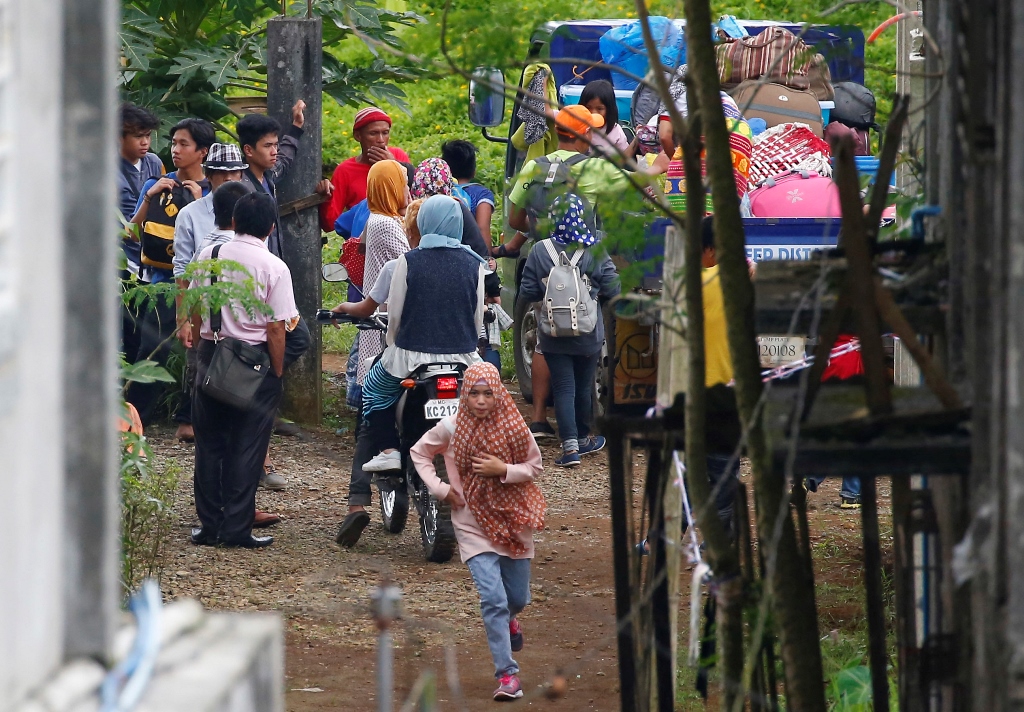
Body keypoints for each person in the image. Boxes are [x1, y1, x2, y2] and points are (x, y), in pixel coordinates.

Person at [410, 362, 545, 701]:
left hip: (514, 518)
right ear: (464, 395)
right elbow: (419, 452)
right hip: (470, 522)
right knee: (493, 599)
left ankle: (510, 620)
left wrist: (504, 470)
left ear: (498, 392)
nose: (482, 400)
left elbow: (535, 466)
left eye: (488, 393)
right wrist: (442, 490)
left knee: (517, 598)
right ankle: (507, 675)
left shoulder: (516, 427)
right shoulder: (452, 426)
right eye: (474, 393)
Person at [188, 193, 299, 548]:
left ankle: (209, 526)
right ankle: (236, 528)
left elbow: (193, 306)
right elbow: (277, 328)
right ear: (270, 227)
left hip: (210, 354)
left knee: (209, 445)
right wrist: (277, 373)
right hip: (252, 362)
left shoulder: (209, 256)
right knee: (246, 447)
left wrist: (199, 348)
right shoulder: (273, 266)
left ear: (233, 222)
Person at [361, 195, 488, 474]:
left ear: (423, 222)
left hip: (410, 355)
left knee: (372, 388)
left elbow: (394, 315)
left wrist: (394, 345)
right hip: (463, 357)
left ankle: (389, 451)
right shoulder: (475, 264)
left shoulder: (408, 261)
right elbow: (476, 317)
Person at [332, 198, 424, 547]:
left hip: (406, 359)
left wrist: (343, 309)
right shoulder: (472, 264)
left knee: (372, 400)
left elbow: (366, 306)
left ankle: (359, 499)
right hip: (460, 361)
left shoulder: (400, 264)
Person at [126, 118, 215, 430]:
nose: (175, 150)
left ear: (202, 152)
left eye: (184, 144)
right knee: (152, 350)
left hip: (205, 284)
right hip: (161, 283)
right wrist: (150, 197)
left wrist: (199, 203)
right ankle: (135, 419)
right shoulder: (155, 184)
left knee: (205, 349)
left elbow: (217, 240)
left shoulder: (212, 191)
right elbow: (135, 234)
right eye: (174, 143)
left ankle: (189, 418)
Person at [518, 193, 620, 467]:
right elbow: (613, 288)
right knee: (584, 385)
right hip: (588, 333)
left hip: (552, 332)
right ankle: (585, 438)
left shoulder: (540, 251)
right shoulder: (595, 249)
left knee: (563, 386)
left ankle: (570, 447)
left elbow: (527, 291)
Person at [238, 101, 330, 259]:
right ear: (248, 150)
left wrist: (297, 126)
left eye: (275, 145)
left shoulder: (269, 175)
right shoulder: (240, 188)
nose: (274, 151)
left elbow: (284, 158)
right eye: (267, 146)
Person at [118, 103, 163, 369]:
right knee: (129, 333)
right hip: (125, 263)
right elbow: (128, 232)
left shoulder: (154, 162)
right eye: (138, 136)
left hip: (153, 259)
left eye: (147, 135)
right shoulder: (108, 174)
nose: (145, 142)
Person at [319, 107, 411, 232]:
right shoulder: (345, 171)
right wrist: (325, 197)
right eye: (373, 133)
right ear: (358, 136)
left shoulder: (399, 156)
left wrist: (393, 166)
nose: (381, 140)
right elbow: (330, 224)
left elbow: (413, 202)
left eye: (385, 133)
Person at [442, 139, 495, 244]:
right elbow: (482, 230)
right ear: (473, 171)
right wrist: (488, 258)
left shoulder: (440, 190)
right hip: (469, 255)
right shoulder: (482, 194)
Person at [578, 79, 631, 159]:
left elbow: (625, 156)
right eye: (588, 108)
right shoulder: (577, 126)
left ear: (609, 109)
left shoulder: (616, 132)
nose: (593, 113)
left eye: (599, 109)